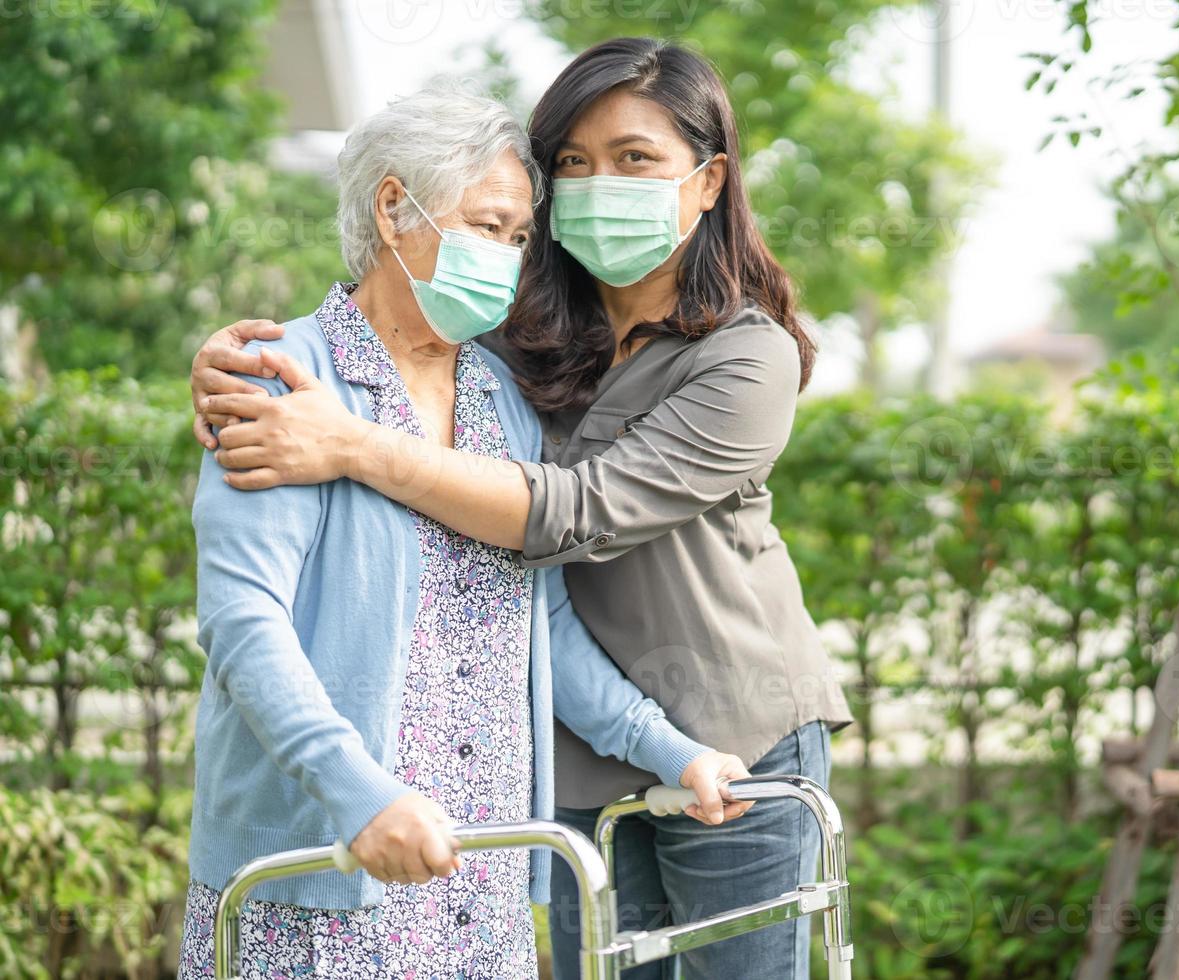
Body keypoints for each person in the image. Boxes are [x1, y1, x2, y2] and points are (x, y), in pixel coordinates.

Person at [189, 38, 853, 980]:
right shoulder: (517, 343)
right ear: (394, 208)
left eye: (634, 159)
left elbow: (569, 522)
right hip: (536, 781)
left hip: (726, 736)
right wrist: (224, 371)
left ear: (708, 183)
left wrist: (351, 444)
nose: (594, 188)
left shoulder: (741, 357)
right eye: (572, 165)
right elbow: (246, 613)